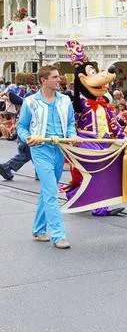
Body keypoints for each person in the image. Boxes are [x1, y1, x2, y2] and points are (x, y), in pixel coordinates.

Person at [15, 66, 78, 249]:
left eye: (59, 77)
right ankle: (58, 235)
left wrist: (72, 136)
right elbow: (22, 127)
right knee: (51, 191)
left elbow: (70, 124)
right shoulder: (30, 102)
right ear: (44, 80)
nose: (60, 80)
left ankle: (38, 228)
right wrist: (28, 138)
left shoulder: (65, 100)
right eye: (56, 77)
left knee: (47, 190)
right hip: (41, 150)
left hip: (59, 150)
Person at [0, 84, 30, 180]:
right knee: (26, 155)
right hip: (27, 135)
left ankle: (40, 173)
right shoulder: (29, 104)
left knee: (30, 155)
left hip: (25, 134)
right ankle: (6, 167)